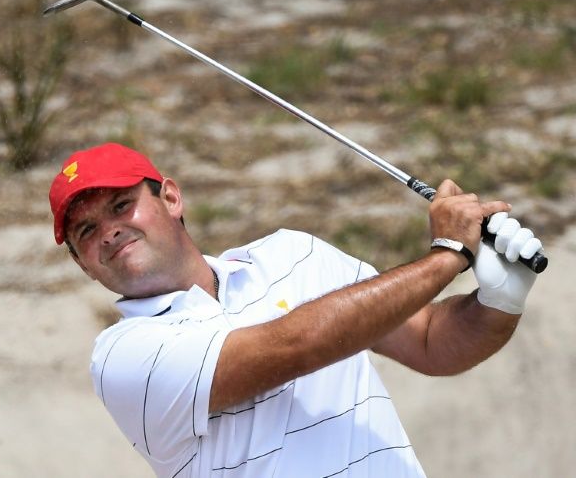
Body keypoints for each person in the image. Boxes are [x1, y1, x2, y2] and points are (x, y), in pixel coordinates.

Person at [48, 142, 542, 478]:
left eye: (121, 205)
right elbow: (293, 347)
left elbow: (433, 342)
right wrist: (447, 256)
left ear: (171, 198)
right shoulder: (122, 355)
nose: (108, 231)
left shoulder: (294, 254)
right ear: (82, 263)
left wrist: (500, 300)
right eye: (86, 231)